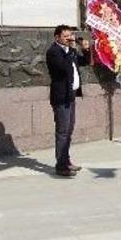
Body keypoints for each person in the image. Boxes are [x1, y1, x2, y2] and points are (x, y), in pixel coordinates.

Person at [46, 25, 92, 177]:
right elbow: (63, 68)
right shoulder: (54, 52)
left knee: (69, 130)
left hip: (71, 96)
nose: (69, 38)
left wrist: (85, 49)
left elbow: (85, 62)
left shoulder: (69, 51)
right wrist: (70, 49)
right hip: (61, 97)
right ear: (57, 37)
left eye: (70, 35)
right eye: (65, 36)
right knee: (62, 132)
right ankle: (60, 166)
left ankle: (66, 161)